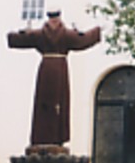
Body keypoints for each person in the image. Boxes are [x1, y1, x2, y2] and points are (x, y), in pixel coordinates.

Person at [8, 9, 101, 145]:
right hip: (60, 68)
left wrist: (16, 34)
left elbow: (18, 39)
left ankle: (41, 137)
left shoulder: (38, 34)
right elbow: (84, 40)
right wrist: (97, 31)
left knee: (44, 105)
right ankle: (58, 136)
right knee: (59, 102)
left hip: (45, 68)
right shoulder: (67, 35)